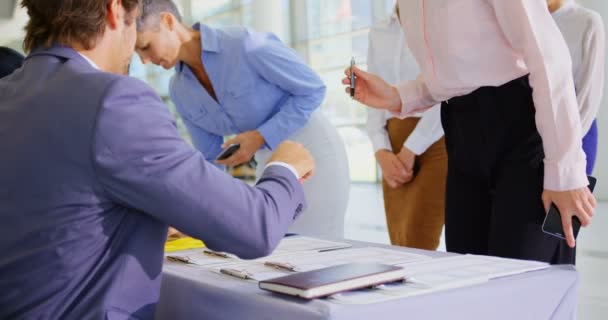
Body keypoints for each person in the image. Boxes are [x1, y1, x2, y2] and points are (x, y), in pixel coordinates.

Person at [0, 0, 314, 318]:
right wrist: (284, 168)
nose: (139, 58)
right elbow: (254, 228)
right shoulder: (113, 100)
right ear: (114, 10)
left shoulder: (8, 93)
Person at [343, 0, 596, 264]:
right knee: (467, 274)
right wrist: (397, 96)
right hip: (461, 131)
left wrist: (566, 173)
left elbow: (546, 56)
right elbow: (454, 76)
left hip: (524, 130)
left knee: (523, 281)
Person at [135, 0, 349, 239]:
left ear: (168, 21)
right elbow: (210, 160)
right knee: (277, 249)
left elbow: (313, 89)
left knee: (321, 247)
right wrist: (193, 214)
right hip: (270, 165)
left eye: (145, 46)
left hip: (313, 153)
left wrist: (259, 137)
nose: (144, 60)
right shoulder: (180, 91)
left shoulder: (244, 45)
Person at [366, 4, 447, 250]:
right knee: (399, 243)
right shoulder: (379, 30)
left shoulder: (443, 21)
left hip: (435, 140)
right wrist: (381, 150)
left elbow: (448, 90)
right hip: (392, 145)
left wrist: (411, 149)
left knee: (419, 241)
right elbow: (372, 94)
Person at [548, 0, 605, 175]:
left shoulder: (587, 21)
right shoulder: (522, 21)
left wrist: (562, 149)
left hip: (578, 132)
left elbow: (589, 98)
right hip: (532, 137)